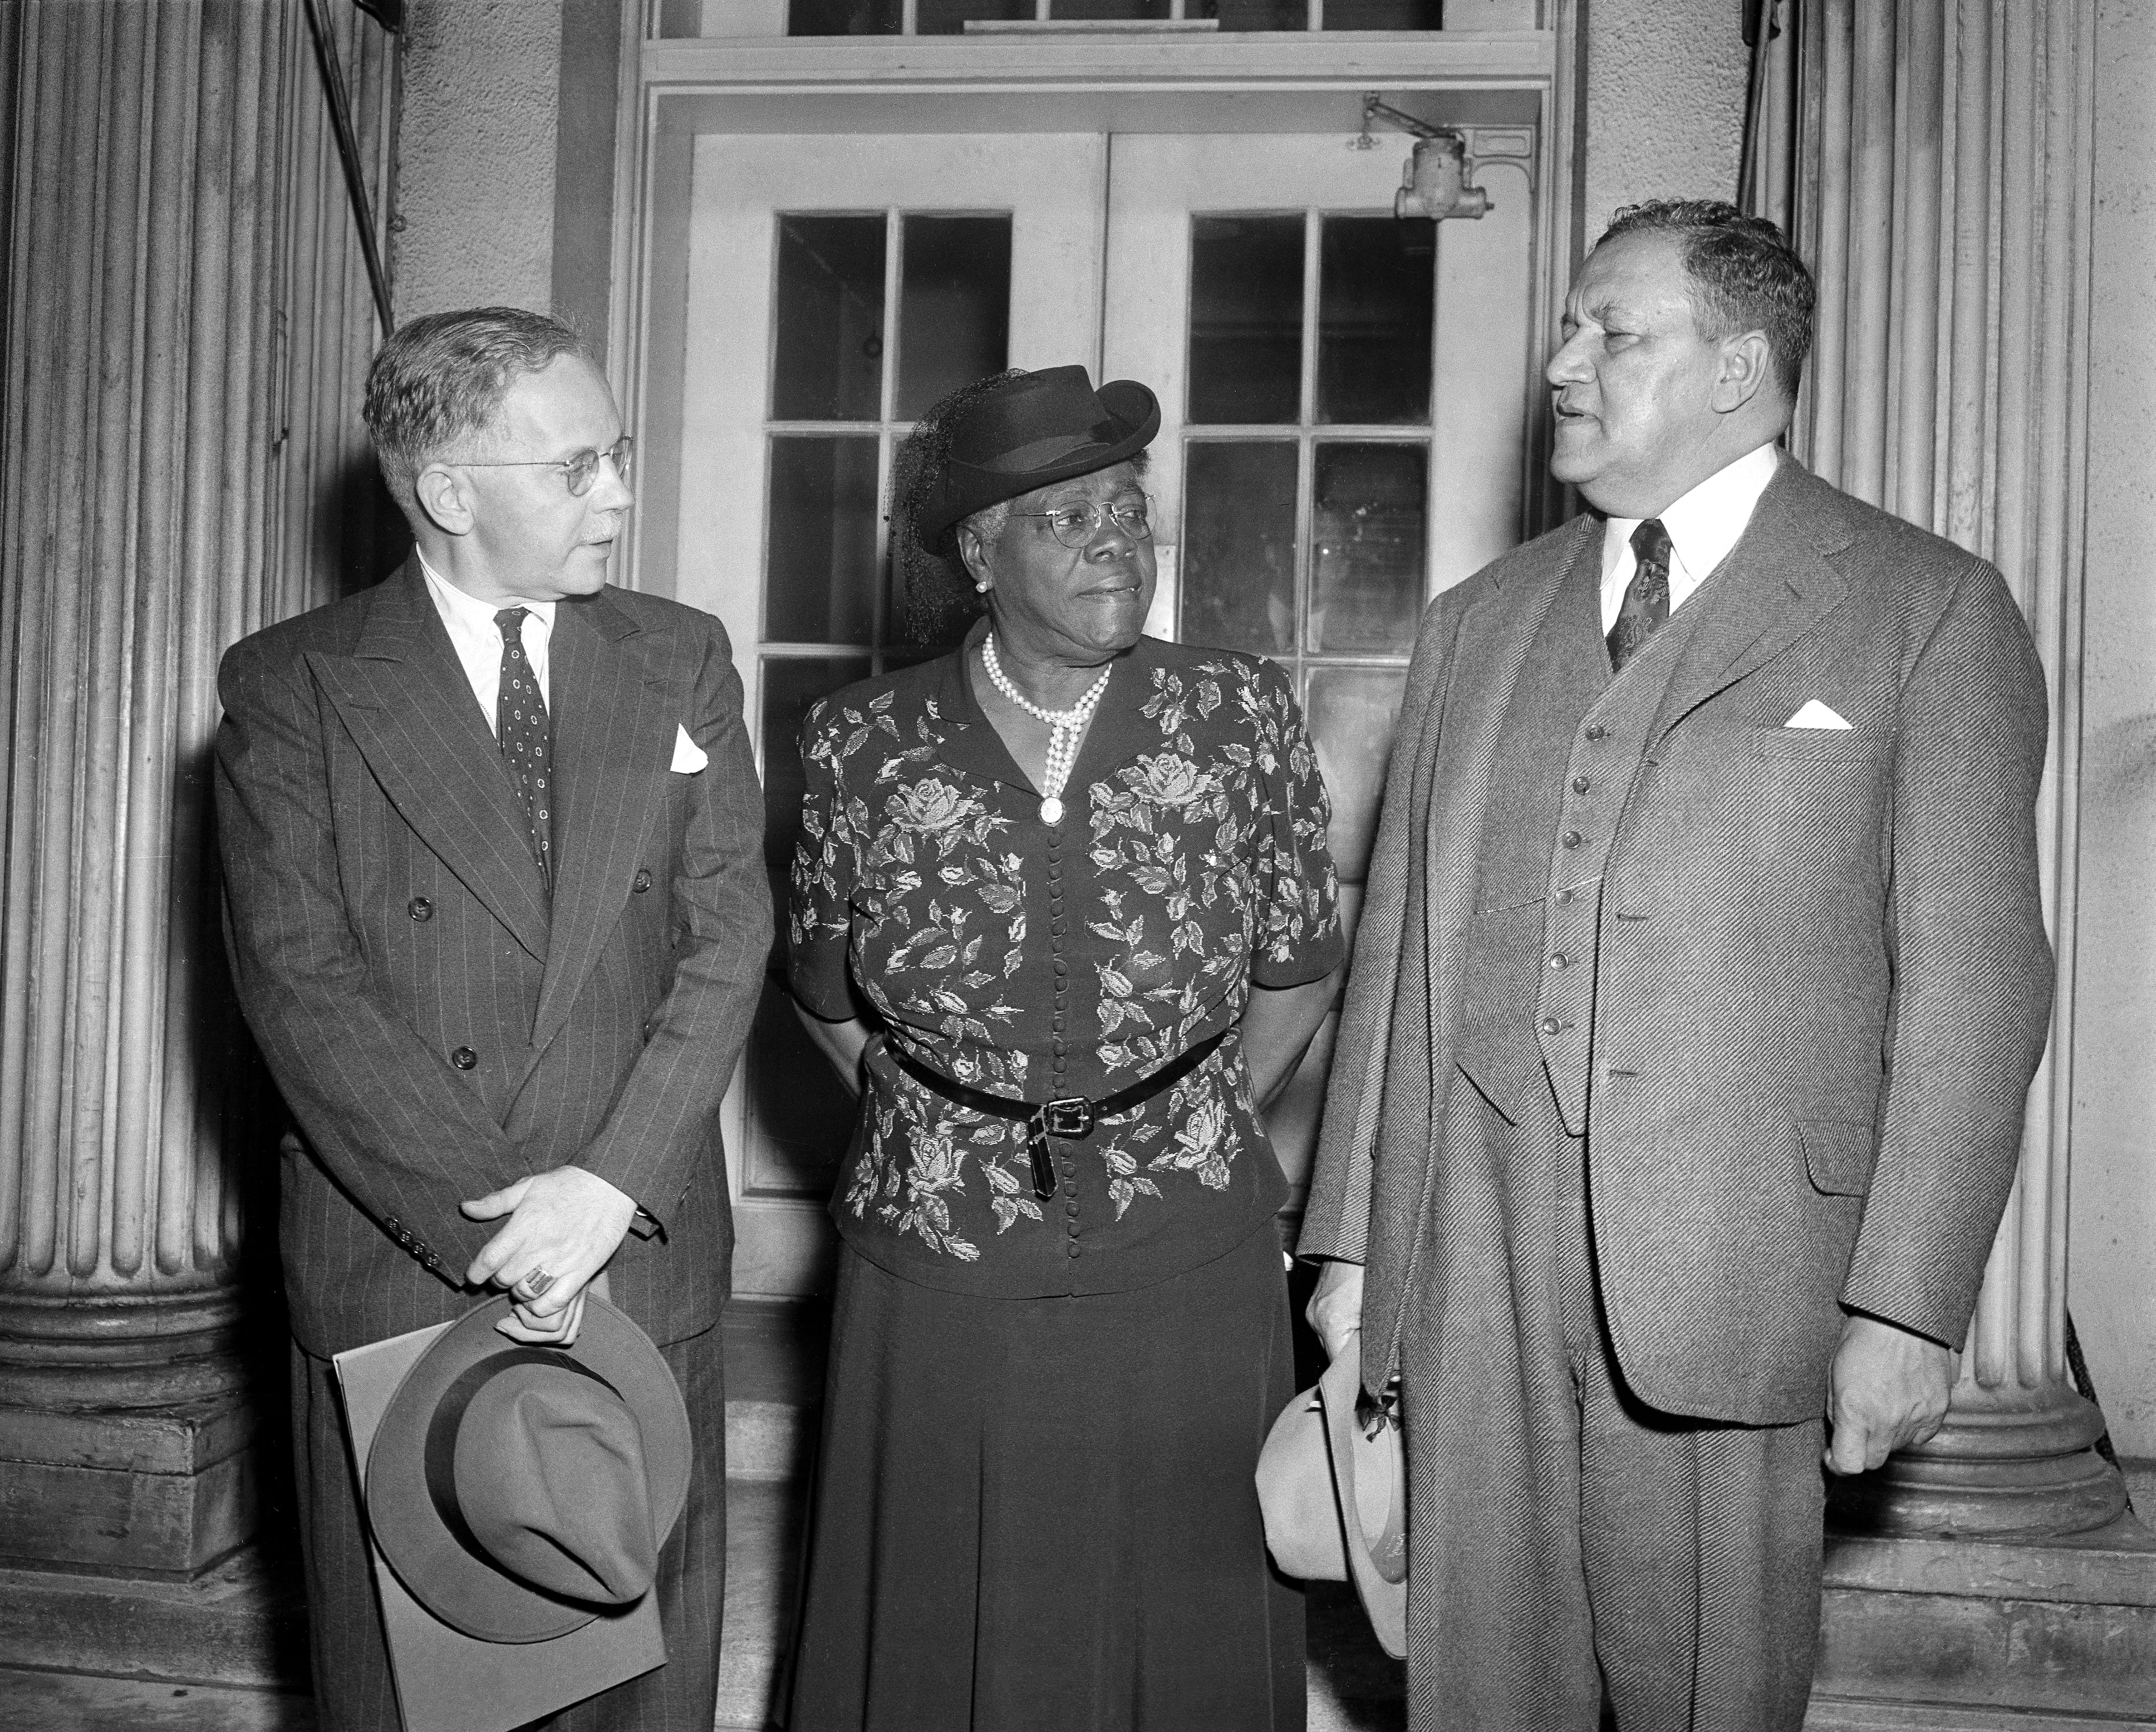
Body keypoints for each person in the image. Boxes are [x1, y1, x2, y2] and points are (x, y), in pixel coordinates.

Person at [1299, 201, 2053, 1729]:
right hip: (1472, 1253)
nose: (1563, 362)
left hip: (1744, 1264)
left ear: (1738, 365)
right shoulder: (1476, 623)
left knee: (1706, 1691)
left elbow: (1979, 985)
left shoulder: (1927, 607)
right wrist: (1353, 1244)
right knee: (1478, 1688)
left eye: (1611, 332)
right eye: (1571, 327)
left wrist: (1908, 1305)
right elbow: (1395, 958)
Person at [214, 307, 769, 1730]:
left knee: (639, 1688)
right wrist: (504, 1235)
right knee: (422, 1694)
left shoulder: (679, 654)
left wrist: (601, 1190)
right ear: (448, 491)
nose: (621, 497)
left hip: (634, 1247)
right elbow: (302, 985)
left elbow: (726, 938)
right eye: (578, 466)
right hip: (414, 1267)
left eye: (620, 454)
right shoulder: (291, 688)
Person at [784, 364, 1342, 1731]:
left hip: (1189, 1255)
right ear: (979, 554)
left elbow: (1300, 965)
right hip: (937, 1262)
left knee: (1186, 1601)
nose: (1117, 540)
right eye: (1067, 517)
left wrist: (1182, 1112)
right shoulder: (860, 740)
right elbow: (817, 987)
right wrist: (943, 1122)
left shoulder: (1239, 714)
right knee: (941, 1609)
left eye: (1129, 509)